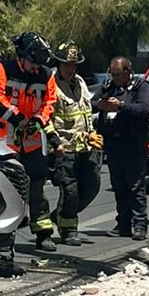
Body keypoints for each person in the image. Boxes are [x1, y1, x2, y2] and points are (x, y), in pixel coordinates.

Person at [0, 32, 59, 251]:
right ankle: (1, 237)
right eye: (32, 62)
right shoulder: (3, 69)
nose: (36, 68)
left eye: (39, 63)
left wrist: (38, 119)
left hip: (32, 142)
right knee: (3, 188)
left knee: (37, 186)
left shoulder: (46, 74)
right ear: (22, 56)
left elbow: (49, 103)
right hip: (2, 142)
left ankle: (43, 233)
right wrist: (18, 119)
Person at [94, 55, 149, 240]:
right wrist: (101, 105)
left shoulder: (140, 87)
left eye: (118, 74)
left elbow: (144, 109)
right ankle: (123, 223)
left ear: (128, 71)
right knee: (119, 186)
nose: (114, 78)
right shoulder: (108, 87)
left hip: (132, 144)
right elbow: (91, 103)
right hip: (113, 144)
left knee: (135, 187)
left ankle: (140, 224)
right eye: (112, 74)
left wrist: (121, 106)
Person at [50, 40, 100, 245]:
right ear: (59, 64)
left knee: (92, 186)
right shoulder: (51, 86)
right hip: (65, 148)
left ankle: (60, 215)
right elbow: (47, 117)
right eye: (67, 65)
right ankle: (68, 229)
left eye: (73, 65)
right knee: (70, 190)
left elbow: (86, 109)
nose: (71, 69)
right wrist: (54, 144)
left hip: (87, 146)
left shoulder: (79, 82)